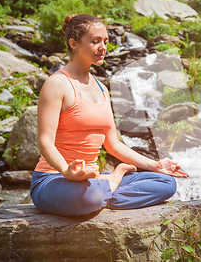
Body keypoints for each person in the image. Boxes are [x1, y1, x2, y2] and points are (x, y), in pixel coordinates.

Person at [30, 13, 188, 217]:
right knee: (88, 197)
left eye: (105, 41)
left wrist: (155, 165)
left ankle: (104, 190)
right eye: (95, 41)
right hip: (53, 179)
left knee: (166, 183)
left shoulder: (102, 89)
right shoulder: (57, 84)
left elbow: (113, 144)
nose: (103, 47)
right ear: (74, 44)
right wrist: (66, 170)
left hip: (93, 179)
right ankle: (111, 183)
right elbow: (45, 142)